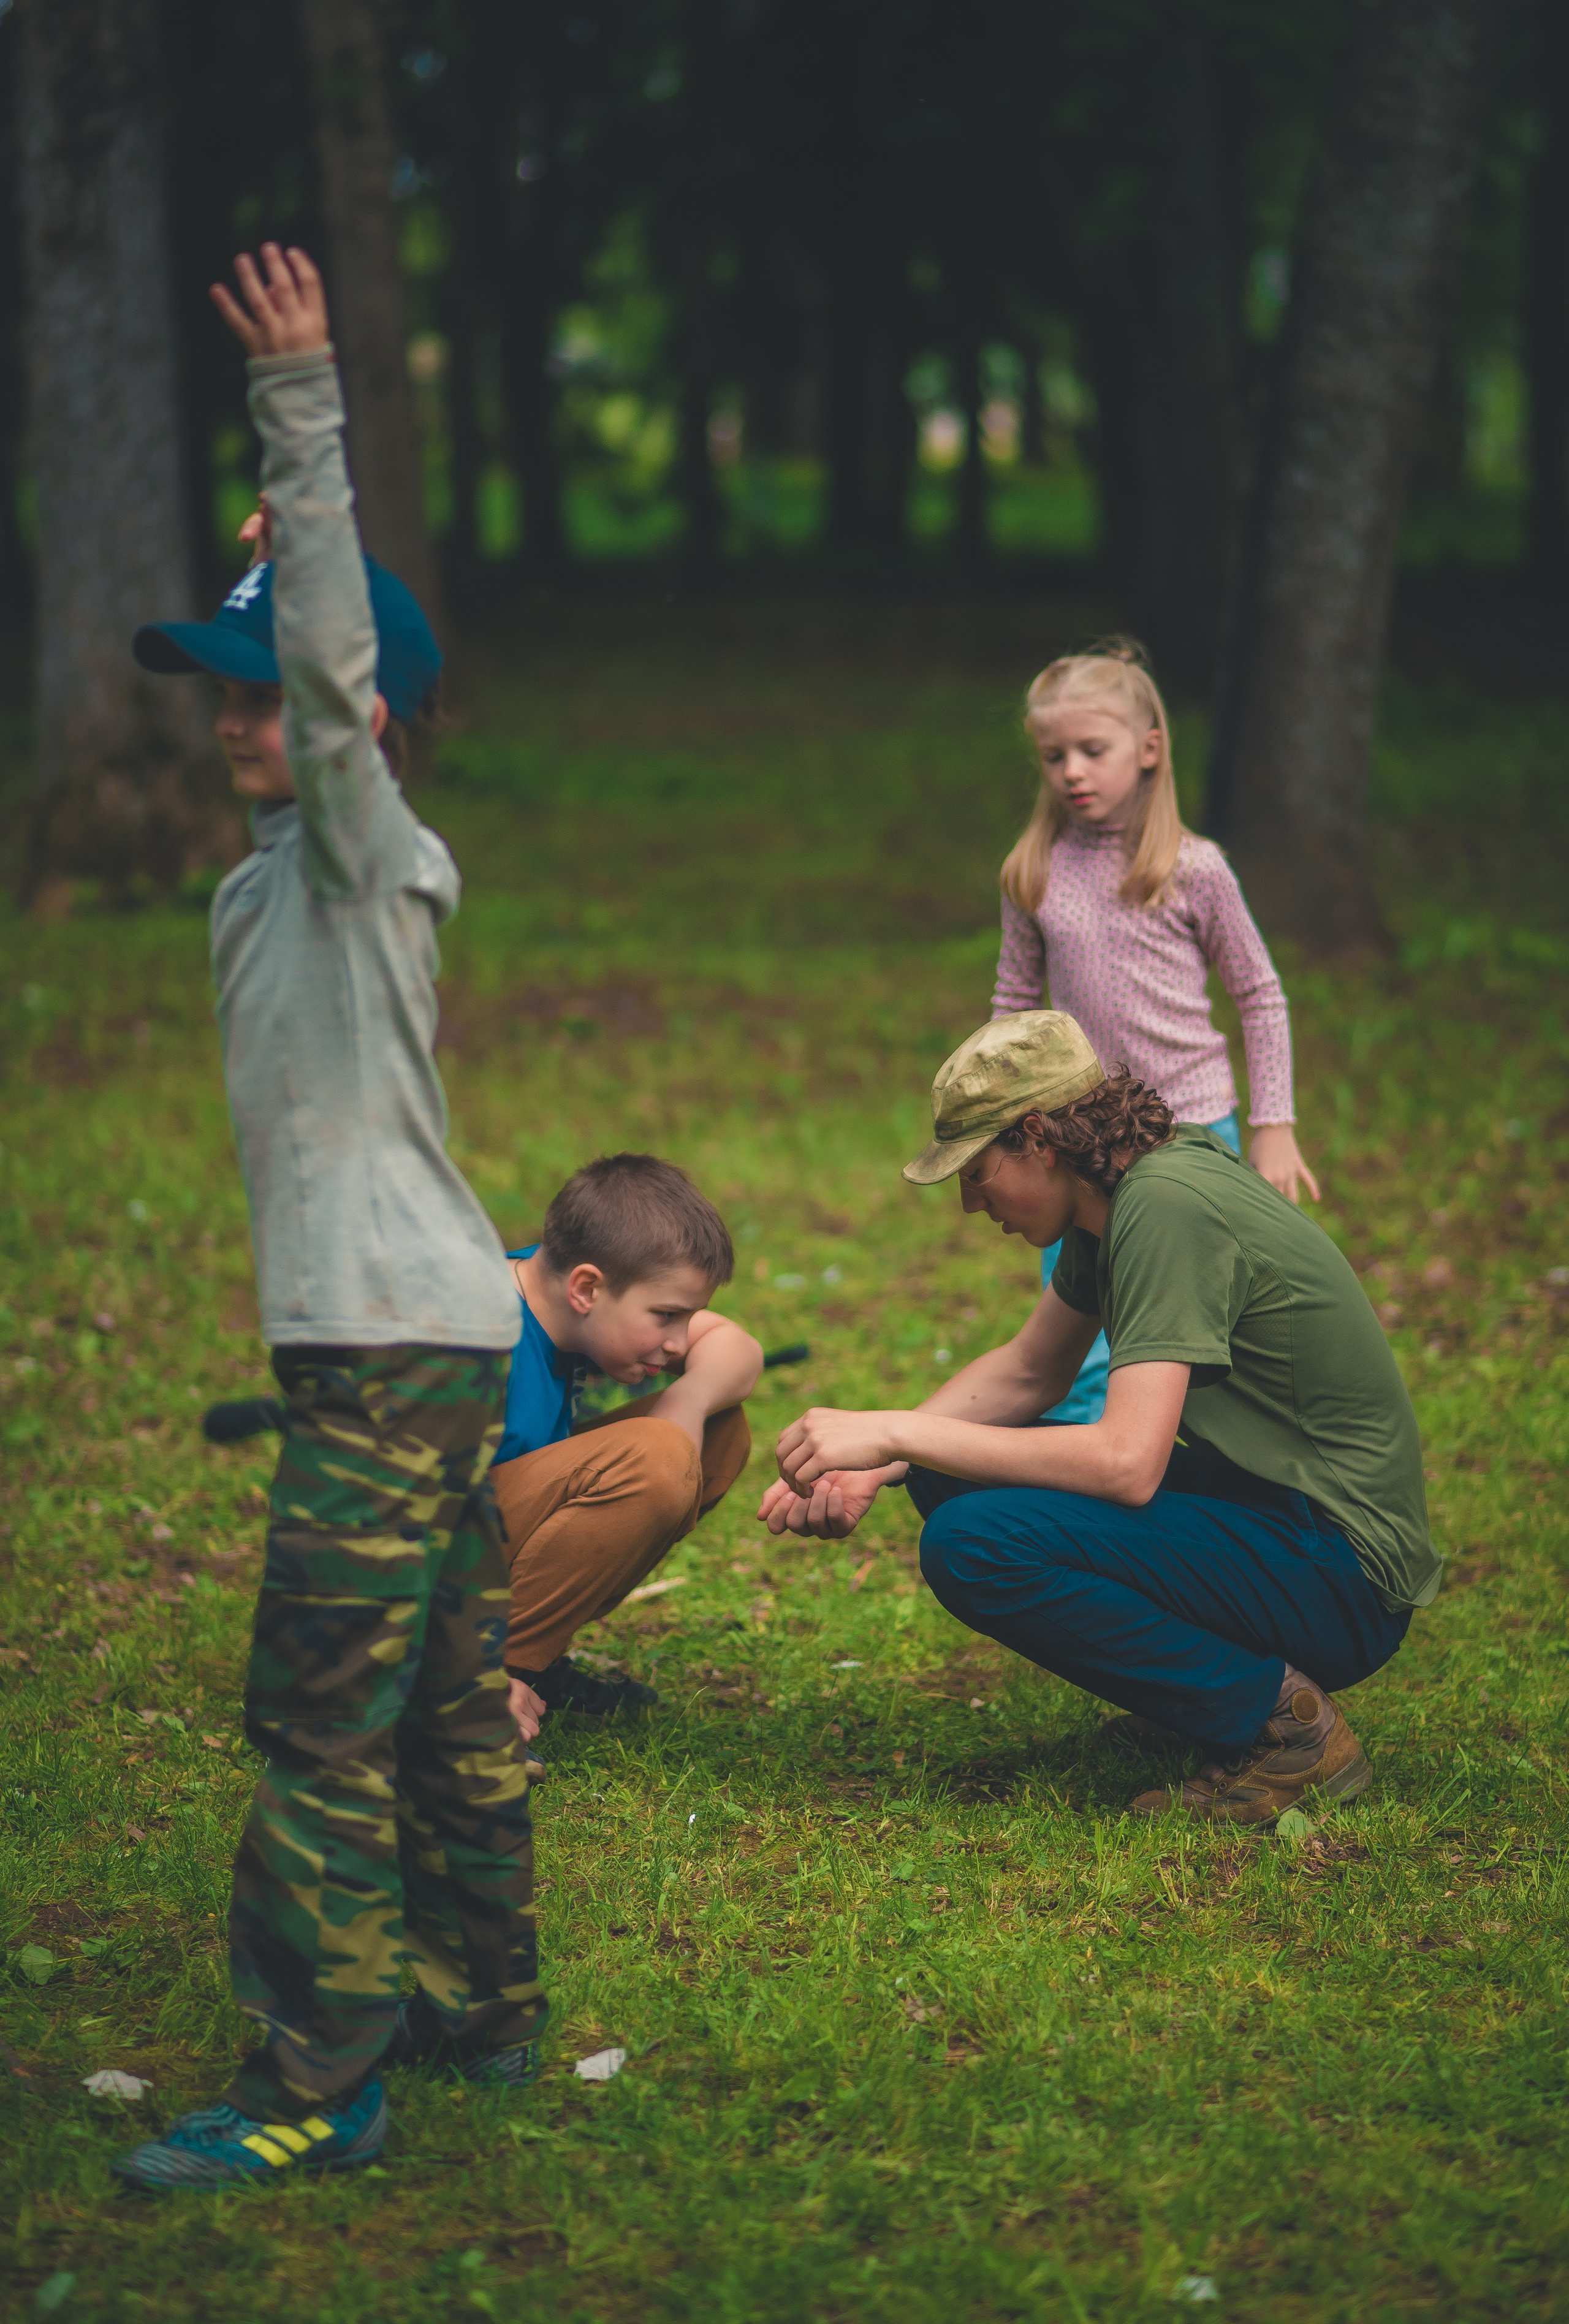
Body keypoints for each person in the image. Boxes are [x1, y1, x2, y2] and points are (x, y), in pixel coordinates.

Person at [113, 246, 543, 2192]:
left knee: (317, 1715)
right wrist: (275, 566)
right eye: (227, 694)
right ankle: (480, 2000)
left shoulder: (369, 858)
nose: (238, 724)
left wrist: (306, 426)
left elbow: (336, 680)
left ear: (356, 714)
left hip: (387, 1342)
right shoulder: (264, 885)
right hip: (417, 1333)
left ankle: (317, 2076)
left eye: (268, 697)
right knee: (448, 1683)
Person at [758, 1012, 1441, 1825]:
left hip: (1343, 1575)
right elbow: (1033, 1369)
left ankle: (1284, 1727)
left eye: (977, 1173)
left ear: (1040, 1137)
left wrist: (897, 1432)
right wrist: (874, 1462)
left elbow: (1127, 1462)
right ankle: (1201, 1699)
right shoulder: (1121, 1192)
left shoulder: (1163, 1208)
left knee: (971, 1542)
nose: (972, 1206)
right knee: (948, 1467)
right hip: (1281, 1522)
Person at [992, 640, 1318, 1426]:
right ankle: (1076, 1463)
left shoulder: (1193, 867)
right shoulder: (1032, 870)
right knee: (1079, 1325)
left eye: (1091, 751)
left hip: (1192, 1129)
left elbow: (1259, 994)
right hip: (1075, 1142)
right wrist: (1002, 1133)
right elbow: (1012, 1006)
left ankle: (1195, 1464)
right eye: (1053, 755)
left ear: (1147, 750)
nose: (1072, 770)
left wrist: (1274, 1127)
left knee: (1197, 1317)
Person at [492, 1154, 762, 1721]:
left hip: (480, 1536)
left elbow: (740, 1349)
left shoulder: (553, 1293)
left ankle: (528, 1663)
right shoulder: (476, 1335)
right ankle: (478, 1687)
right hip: (406, 1574)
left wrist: (686, 1402)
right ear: (586, 1288)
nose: (679, 1341)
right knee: (657, 1456)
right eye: (666, 1315)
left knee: (717, 1428)